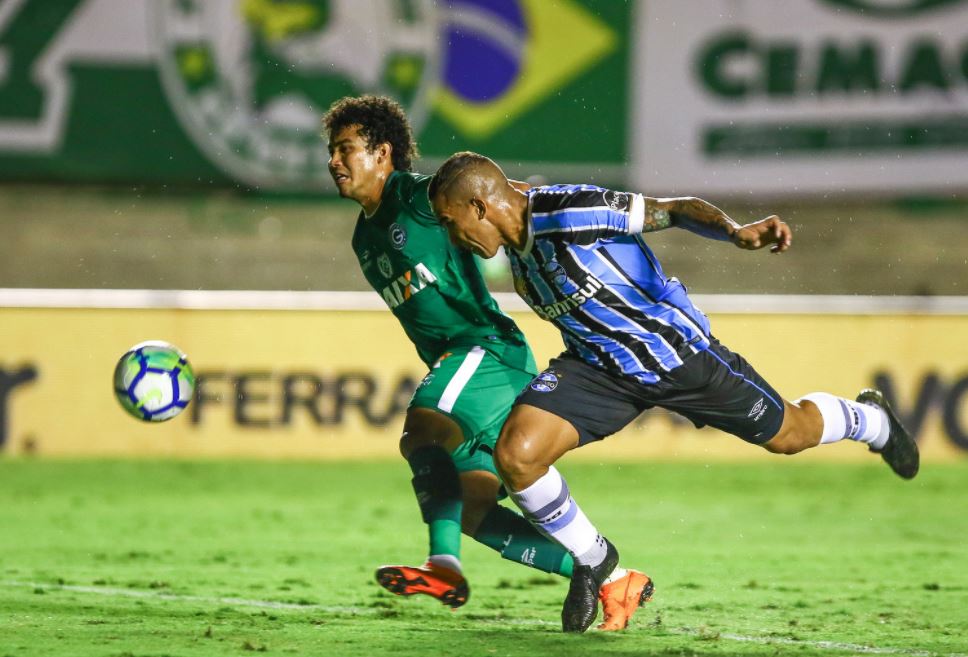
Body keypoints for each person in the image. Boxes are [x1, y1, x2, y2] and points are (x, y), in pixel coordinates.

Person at [427, 151, 919, 633]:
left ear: (479, 207)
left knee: (792, 434)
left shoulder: (568, 210)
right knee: (517, 455)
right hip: (598, 370)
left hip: (678, 357)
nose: (453, 236)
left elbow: (674, 208)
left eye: (451, 223)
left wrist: (734, 231)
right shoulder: (517, 247)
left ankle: (871, 420)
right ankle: (598, 563)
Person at [321, 96, 652, 630]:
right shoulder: (364, 237)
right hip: (474, 369)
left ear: (383, 153)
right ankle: (609, 576)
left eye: (345, 149)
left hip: (485, 351)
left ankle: (443, 567)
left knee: (423, 430)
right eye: (331, 151)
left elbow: (479, 191)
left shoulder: (418, 197)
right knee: (471, 507)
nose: (334, 161)